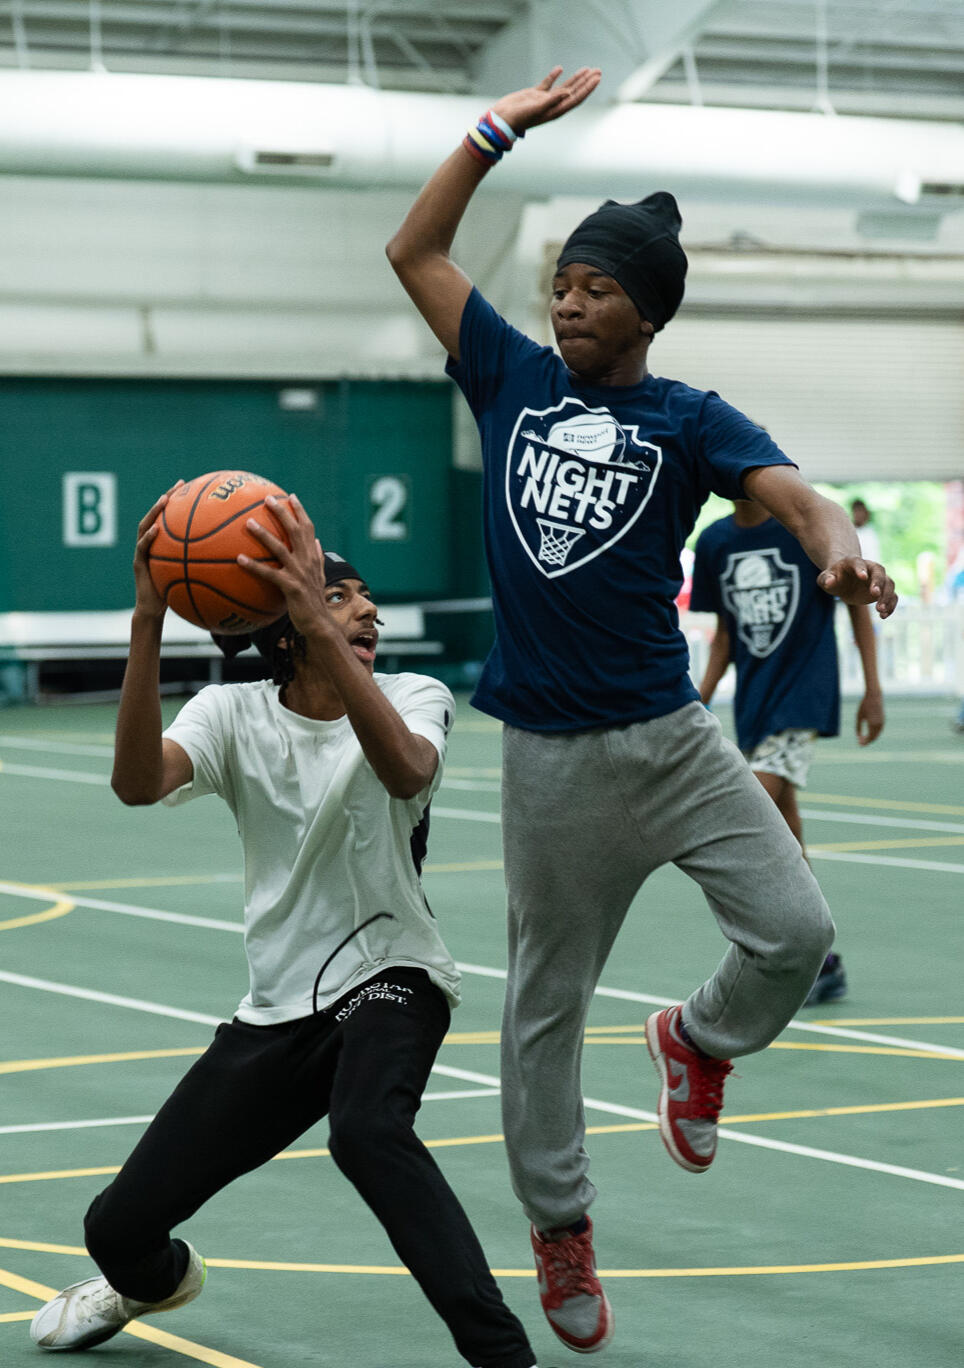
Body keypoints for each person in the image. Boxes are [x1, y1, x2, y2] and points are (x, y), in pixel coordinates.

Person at [385, 66, 898, 1356]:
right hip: (550, 763)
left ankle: (698, 1039)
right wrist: (496, 129)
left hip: (670, 742)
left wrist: (836, 548)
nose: (565, 296)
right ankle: (561, 1225)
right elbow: (415, 246)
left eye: (594, 284)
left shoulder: (685, 418)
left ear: (646, 310)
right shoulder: (505, 373)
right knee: (541, 1011)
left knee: (793, 928)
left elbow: (800, 496)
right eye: (560, 278)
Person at [29, 488, 539, 1368]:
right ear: (282, 629)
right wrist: (149, 619)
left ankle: (502, 1355)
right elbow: (136, 782)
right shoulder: (232, 715)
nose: (368, 608)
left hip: (394, 974)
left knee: (368, 1133)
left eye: (360, 597)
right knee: (116, 1228)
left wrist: (321, 618)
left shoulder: (415, 696)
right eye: (341, 596)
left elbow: (406, 768)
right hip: (276, 1011)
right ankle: (149, 1279)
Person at [692, 495, 886, 1004]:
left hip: (802, 696)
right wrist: (695, 704)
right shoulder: (714, 542)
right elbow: (725, 639)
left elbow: (858, 607)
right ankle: (818, 959)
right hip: (755, 703)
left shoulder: (805, 532)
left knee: (747, 806)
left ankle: (767, 955)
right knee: (784, 829)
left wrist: (872, 689)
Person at [850, 498, 882, 564]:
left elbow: (873, 555)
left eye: (860, 511)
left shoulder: (870, 533)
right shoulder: (849, 531)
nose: (858, 515)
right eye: (856, 511)